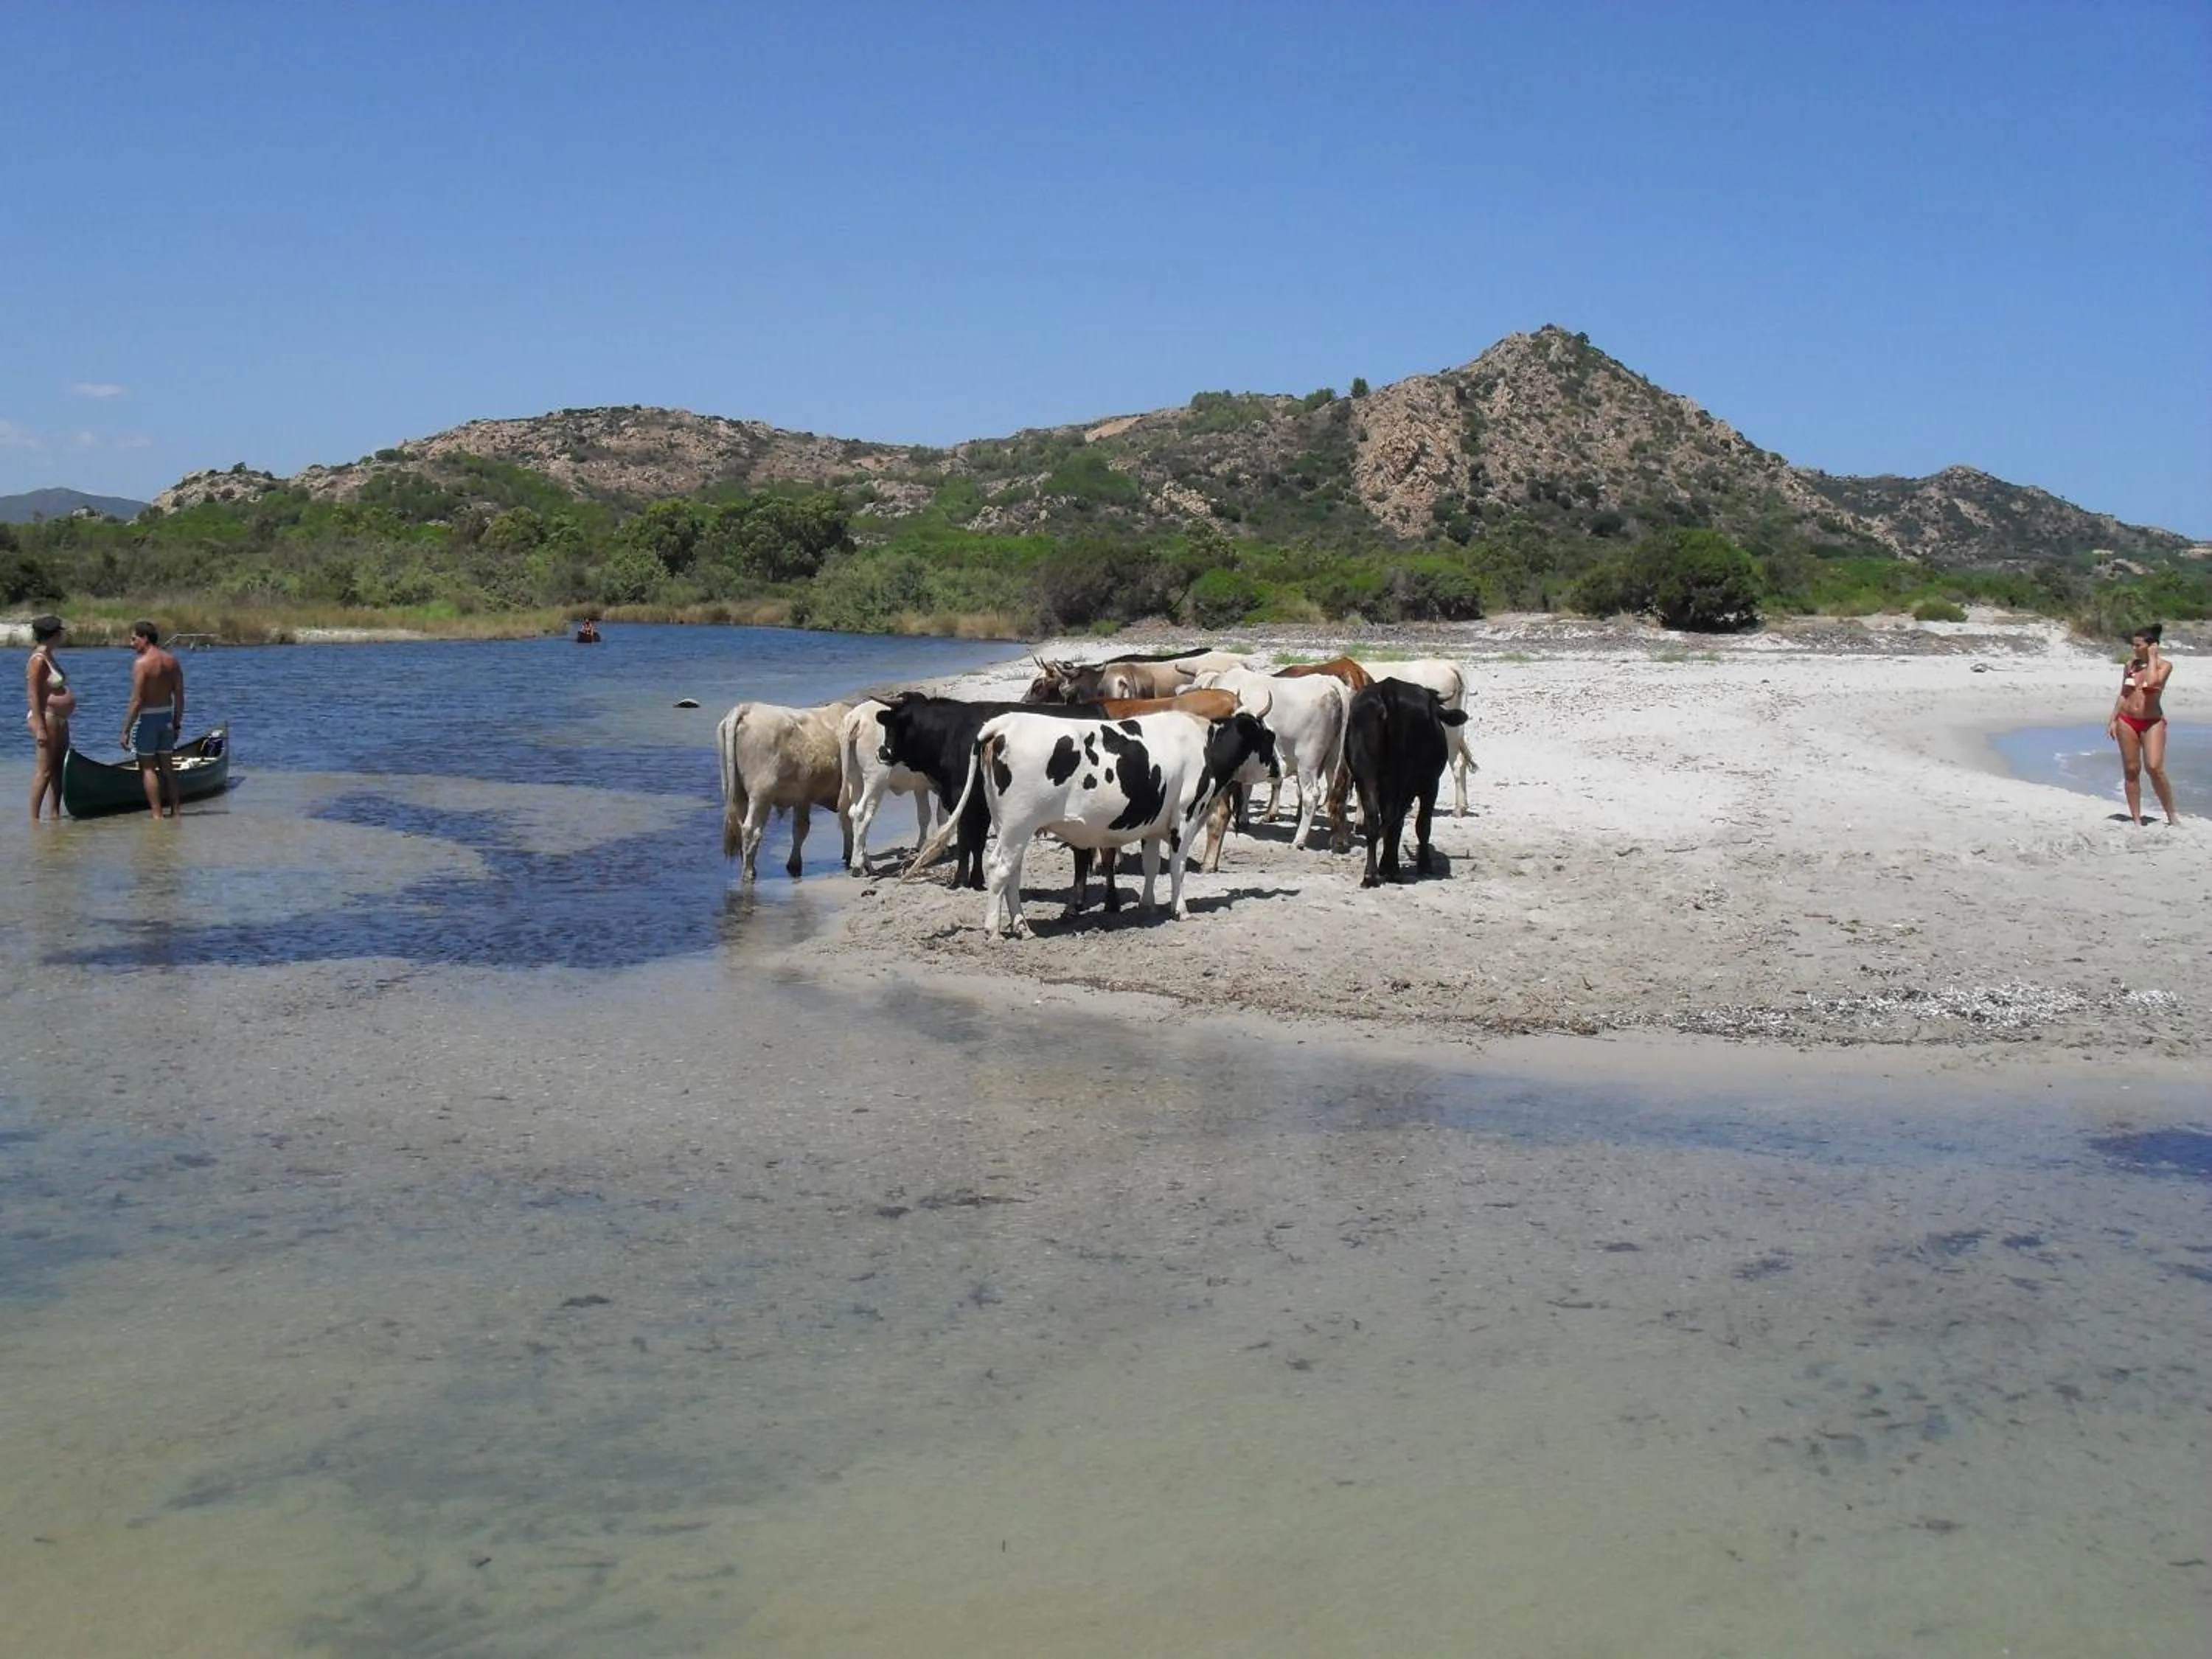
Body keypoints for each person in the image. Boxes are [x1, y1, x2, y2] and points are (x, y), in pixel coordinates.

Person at [2107, 622, 2178, 827]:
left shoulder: (2164, 665)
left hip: (2152, 721)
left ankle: (2171, 815)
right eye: (2134, 645)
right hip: (2127, 720)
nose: (2135, 649)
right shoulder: (2130, 666)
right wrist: (2112, 720)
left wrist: (2153, 657)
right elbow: (2124, 694)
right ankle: (2136, 819)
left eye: (2139, 645)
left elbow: (2154, 684)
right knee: (2131, 769)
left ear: (2151, 645)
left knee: (2155, 767)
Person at [118, 620, 187, 818]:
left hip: (148, 718)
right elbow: (180, 697)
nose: (132, 644)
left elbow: (137, 700)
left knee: (147, 768)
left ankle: (157, 815)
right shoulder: (172, 661)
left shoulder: (142, 664)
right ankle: (176, 811)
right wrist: (176, 723)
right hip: (166, 717)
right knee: (167, 767)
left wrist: (126, 730)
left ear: (145, 638)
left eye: (134, 639)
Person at [24, 613, 77, 821]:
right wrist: (40, 727)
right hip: (46, 717)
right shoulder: (38, 659)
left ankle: (54, 813)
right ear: (52, 635)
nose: (62, 637)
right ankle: (34, 819)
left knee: (59, 767)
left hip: (59, 719)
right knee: (44, 770)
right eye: (59, 634)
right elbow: (33, 694)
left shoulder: (49, 655)